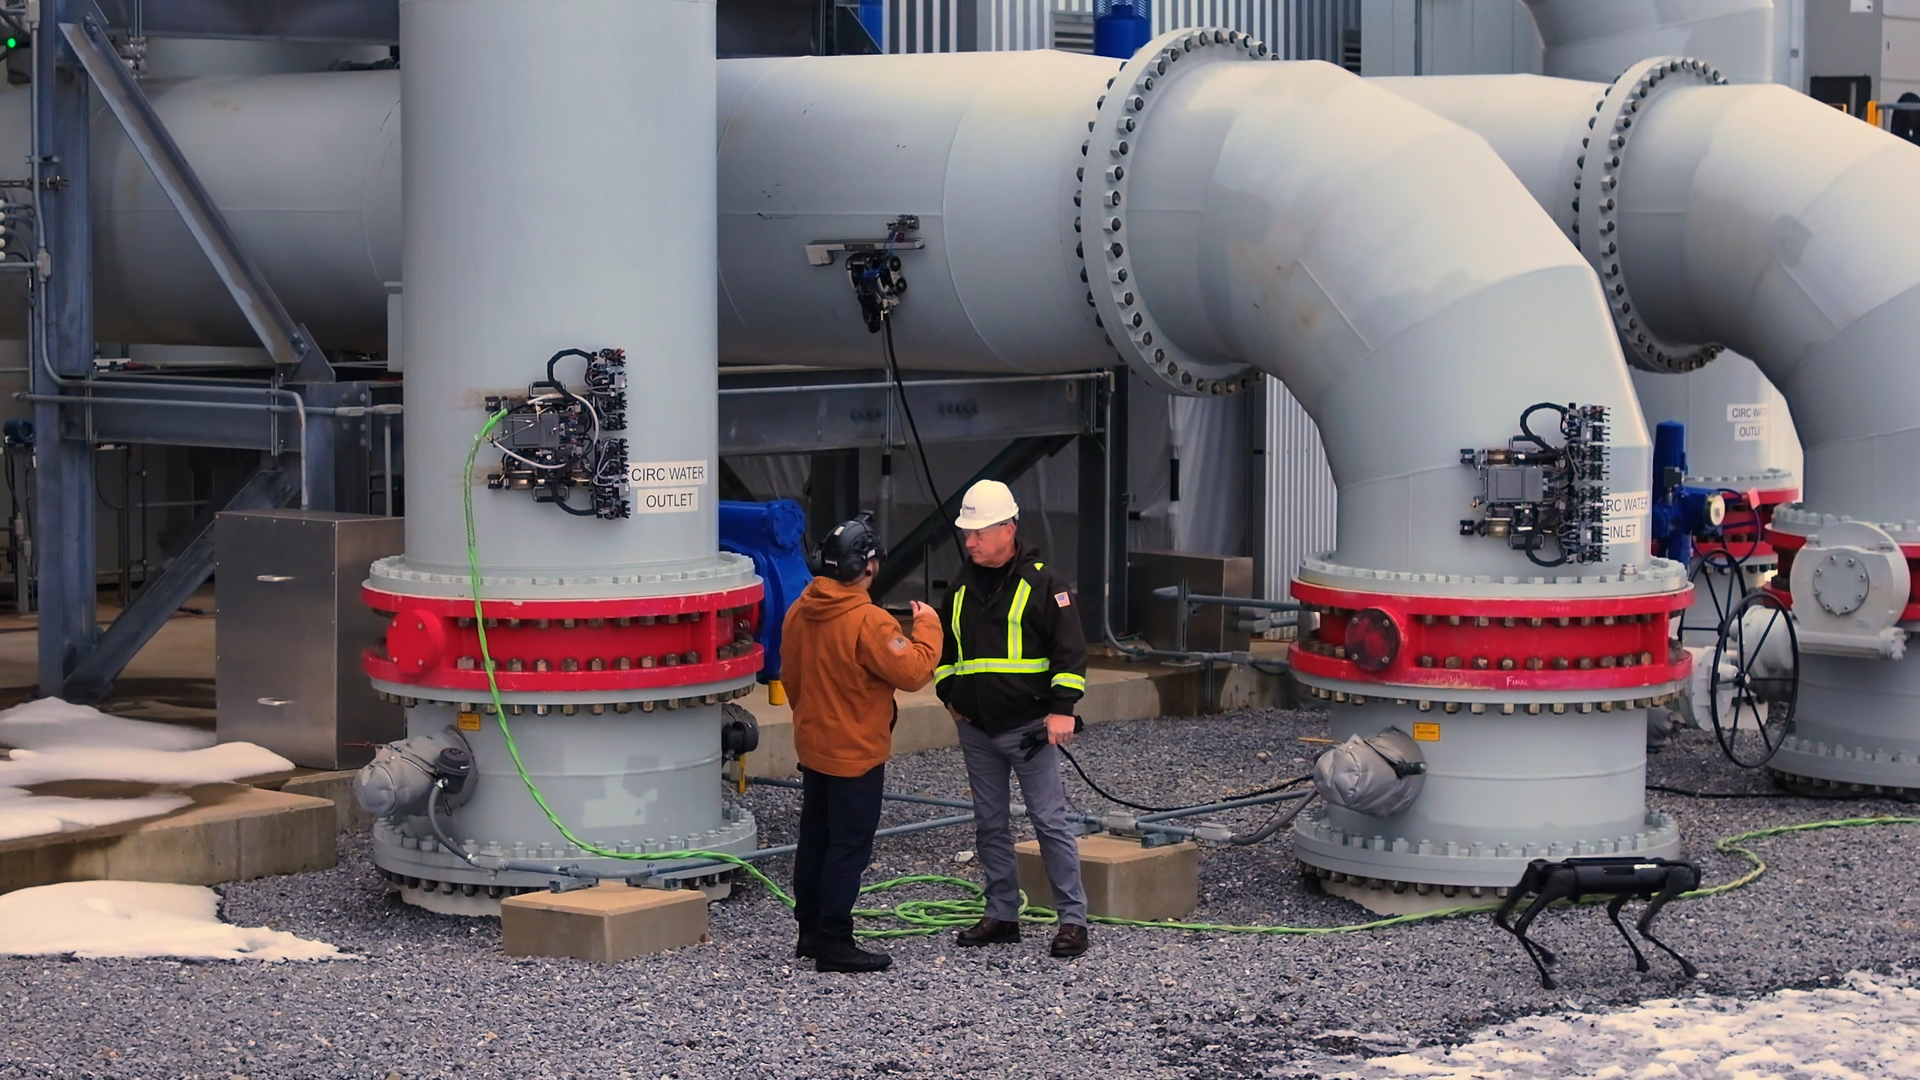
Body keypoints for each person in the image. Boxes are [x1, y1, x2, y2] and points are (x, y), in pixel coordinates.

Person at [935, 479, 1091, 959]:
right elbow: (947, 652)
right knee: (990, 824)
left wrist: (1062, 710)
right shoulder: (960, 586)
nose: (970, 541)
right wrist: (949, 695)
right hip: (977, 729)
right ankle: (1002, 914)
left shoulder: (1045, 584)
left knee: (1049, 821)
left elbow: (1071, 652)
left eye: (980, 532)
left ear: (1008, 529)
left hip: (1030, 731)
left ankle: (1072, 920)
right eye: (968, 533)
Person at [781, 512, 942, 973]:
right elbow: (912, 672)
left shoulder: (799, 610)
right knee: (848, 849)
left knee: (814, 840)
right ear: (863, 566)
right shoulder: (869, 621)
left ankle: (809, 931)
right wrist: (927, 626)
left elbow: (789, 676)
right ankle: (835, 941)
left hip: (814, 749)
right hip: (855, 755)